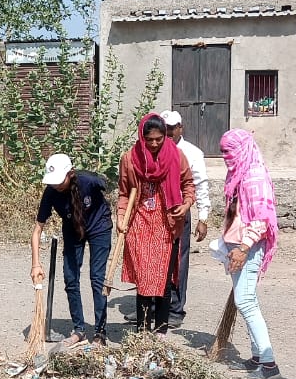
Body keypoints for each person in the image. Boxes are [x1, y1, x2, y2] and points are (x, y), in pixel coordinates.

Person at [117, 114, 194, 335]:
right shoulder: (130, 159)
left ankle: (160, 331)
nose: (153, 144)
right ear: (142, 136)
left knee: (164, 278)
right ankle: (142, 331)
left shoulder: (176, 156)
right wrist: (121, 218)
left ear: (165, 136)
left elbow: (188, 185)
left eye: (158, 139)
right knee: (144, 277)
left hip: (167, 223)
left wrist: (186, 204)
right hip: (140, 222)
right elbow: (124, 193)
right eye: (149, 139)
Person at [30, 153, 114, 346]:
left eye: (60, 181)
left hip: (99, 227)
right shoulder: (51, 192)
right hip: (72, 228)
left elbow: (107, 184)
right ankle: (79, 330)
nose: (56, 186)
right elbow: (37, 231)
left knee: (97, 279)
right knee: (70, 279)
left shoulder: (89, 182)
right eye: (53, 182)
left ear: (71, 174)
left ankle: (100, 332)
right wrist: (35, 264)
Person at [218, 129, 280, 379]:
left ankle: (268, 364)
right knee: (248, 300)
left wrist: (243, 249)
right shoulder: (238, 172)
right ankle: (256, 356)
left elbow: (261, 221)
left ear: (242, 149)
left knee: (245, 302)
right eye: (223, 152)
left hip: (249, 247)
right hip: (237, 245)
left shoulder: (254, 178)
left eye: (229, 151)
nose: (226, 156)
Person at [162, 111, 211, 323]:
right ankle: (152, 306)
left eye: (173, 128)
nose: (169, 132)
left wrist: (203, 217)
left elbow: (200, 185)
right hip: (157, 213)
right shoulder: (155, 149)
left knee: (178, 261)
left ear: (180, 127)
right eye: (166, 128)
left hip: (181, 211)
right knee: (155, 259)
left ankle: (175, 309)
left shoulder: (192, 153)